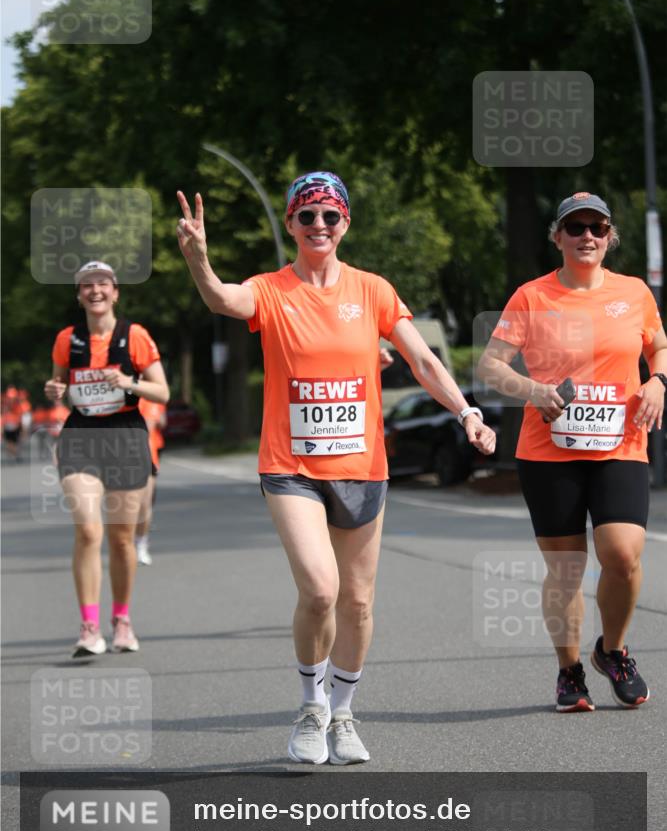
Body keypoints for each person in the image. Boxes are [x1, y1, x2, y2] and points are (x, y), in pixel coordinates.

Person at [176, 172, 496, 764]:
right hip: (291, 465)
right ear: (293, 226)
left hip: (362, 466)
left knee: (358, 603)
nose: (318, 225)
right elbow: (222, 298)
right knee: (320, 591)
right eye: (306, 216)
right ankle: (310, 707)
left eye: (330, 215)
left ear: (346, 223)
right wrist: (199, 259)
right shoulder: (270, 289)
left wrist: (466, 412)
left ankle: (344, 714)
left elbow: (422, 358)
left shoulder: (373, 290)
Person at [478, 192, 667, 712]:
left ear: (609, 238)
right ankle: (569, 672)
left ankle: (614, 649)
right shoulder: (532, 297)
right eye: (576, 227)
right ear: (557, 237)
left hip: (621, 444)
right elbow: (491, 366)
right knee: (565, 569)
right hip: (548, 451)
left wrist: (659, 382)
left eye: (597, 228)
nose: (587, 236)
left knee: (623, 554)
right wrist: (533, 391)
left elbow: (659, 345)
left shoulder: (633, 293)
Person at [44, 261, 169, 657]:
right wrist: (53, 390)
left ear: (115, 292)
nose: (94, 290)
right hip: (81, 436)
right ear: (79, 294)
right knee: (88, 531)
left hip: (126, 435)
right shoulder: (67, 339)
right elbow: (59, 384)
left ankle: (122, 619)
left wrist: (130, 382)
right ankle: (88, 627)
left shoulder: (135, 336)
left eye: (102, 284)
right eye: (86, 285)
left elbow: (162, 392)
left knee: (120, 538)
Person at [135, 397, 167, 565]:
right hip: (119, 456)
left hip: (147, 456)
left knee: (144, 504)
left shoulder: (150, 397)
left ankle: (141, 544)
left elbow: (151, 425)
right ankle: (126, 543)